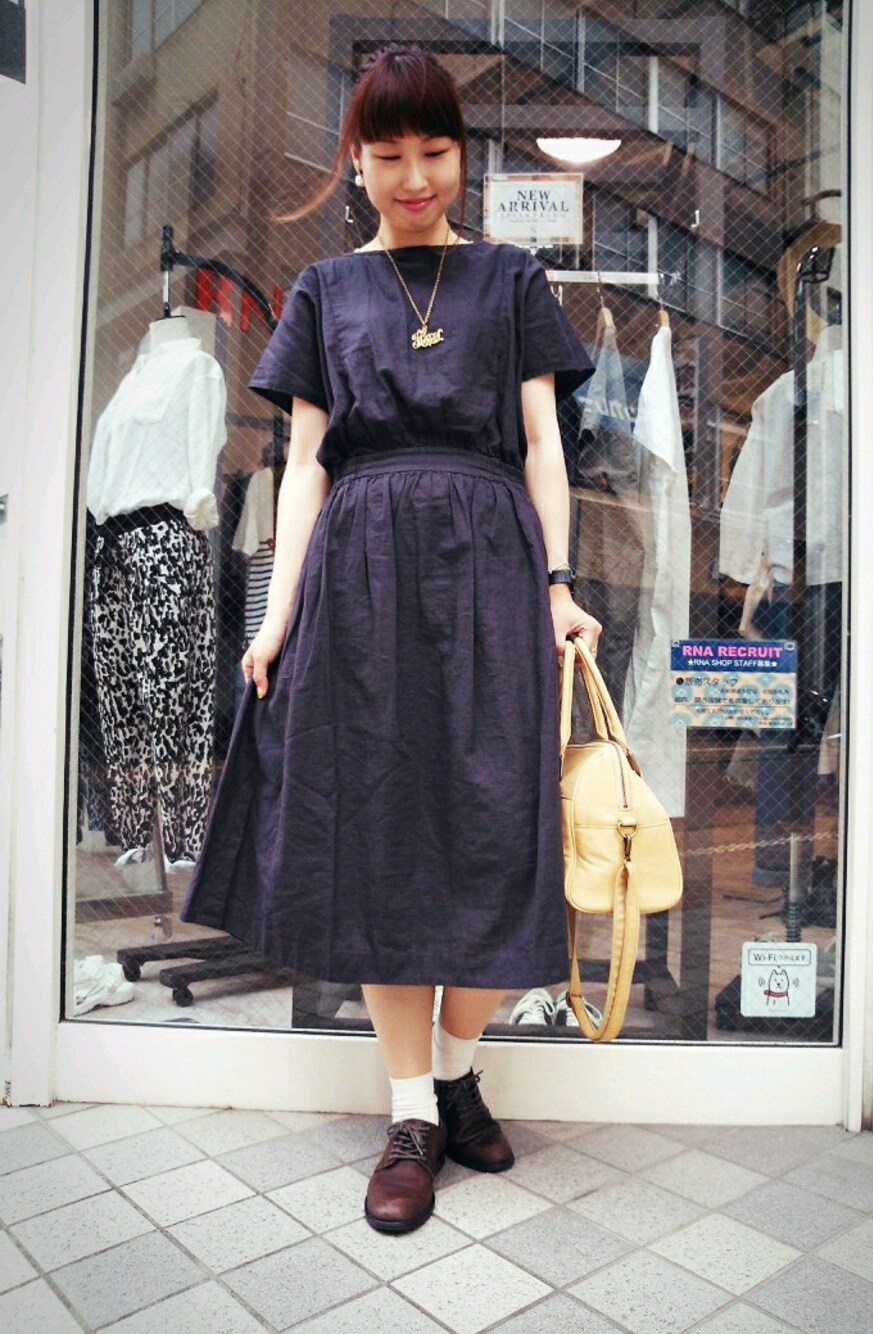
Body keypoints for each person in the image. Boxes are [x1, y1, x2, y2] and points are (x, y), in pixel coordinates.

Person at [181, 43, 601, 1234]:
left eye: (435, 151)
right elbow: (308, 465)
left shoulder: (510, 277)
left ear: (463, 157)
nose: (415, 177)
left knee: (497, 830)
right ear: (355, 162)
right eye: (390, 153)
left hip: (491, 571)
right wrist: (277, 614)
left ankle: (459, 1069)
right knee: (377, 834)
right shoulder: (325, 291)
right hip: (361, 575)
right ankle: (414, 1111)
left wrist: (558, 583)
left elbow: (542, 446)